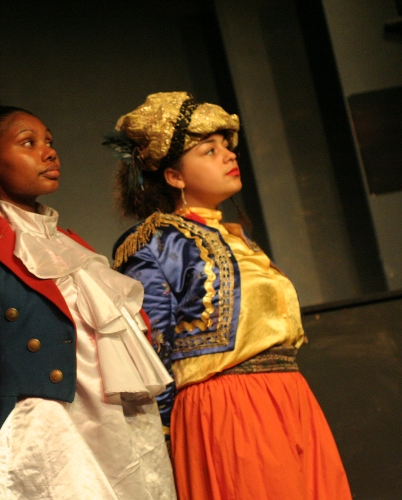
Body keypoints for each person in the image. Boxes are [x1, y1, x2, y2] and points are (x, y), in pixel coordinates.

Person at [107, 91, 352, 499]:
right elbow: (152, 346)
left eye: (226, 146)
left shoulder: (236, 237)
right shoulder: (157, 243)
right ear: (174, 176)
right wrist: (163, 433)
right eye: (209, 150)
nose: (228, 155)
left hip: (289, 394)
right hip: (227, 405)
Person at [0, 95, 176, 499]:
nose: (48, 152)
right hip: (49, 439)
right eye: (28, 143)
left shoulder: (76, 251)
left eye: (49, 141)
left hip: (120, 426)